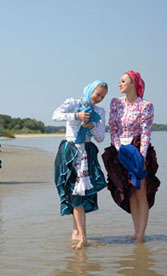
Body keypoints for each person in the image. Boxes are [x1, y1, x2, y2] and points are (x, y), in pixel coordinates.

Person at [102, 70, 160, 243]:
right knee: (131, 193)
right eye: (119, 81)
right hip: (120, 151)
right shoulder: (115, 104)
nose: (119, 84)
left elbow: (146, 134)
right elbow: (113, 129)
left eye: (123, 81)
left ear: (133, 83)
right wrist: (120, 150)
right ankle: (136, 232)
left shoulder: (145, 106)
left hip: (138, 150)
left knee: (141, 193)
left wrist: (140, 158)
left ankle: (141, 235)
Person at [52, 80, 108, 250]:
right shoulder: (73, 103)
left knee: (80, 194)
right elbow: (55, 115)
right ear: (90, 90)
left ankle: (81, 236)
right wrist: (77, 116)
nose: (99, 98)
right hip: (69, 151)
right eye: (97, 94)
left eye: (102, 96)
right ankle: (77, 231)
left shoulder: (99, 111)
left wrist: (90, 125)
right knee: (71, 191)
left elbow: (100, 137)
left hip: (86, 152)